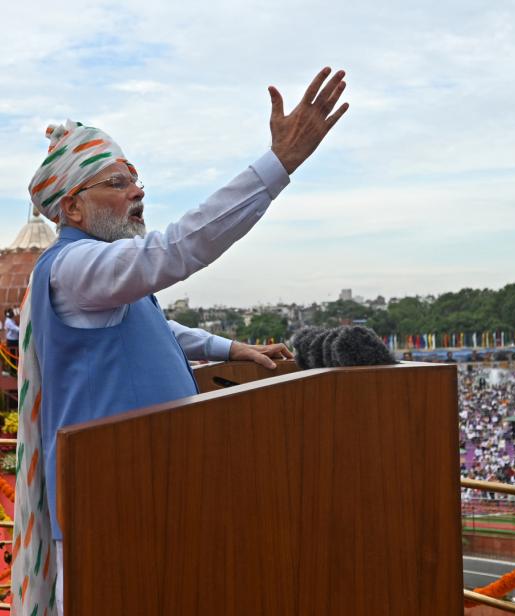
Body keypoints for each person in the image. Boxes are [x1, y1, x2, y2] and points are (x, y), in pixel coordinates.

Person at [13, 66, 349, 615]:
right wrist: (278, 165)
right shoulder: (73, 267)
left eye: (135, 177)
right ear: (72, 208)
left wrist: (229, 349)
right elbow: (173, 252)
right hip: (114, 511)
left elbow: (152, 325)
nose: (138, 191)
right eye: (118, 183)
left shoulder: (99, 278)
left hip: (150, 498)